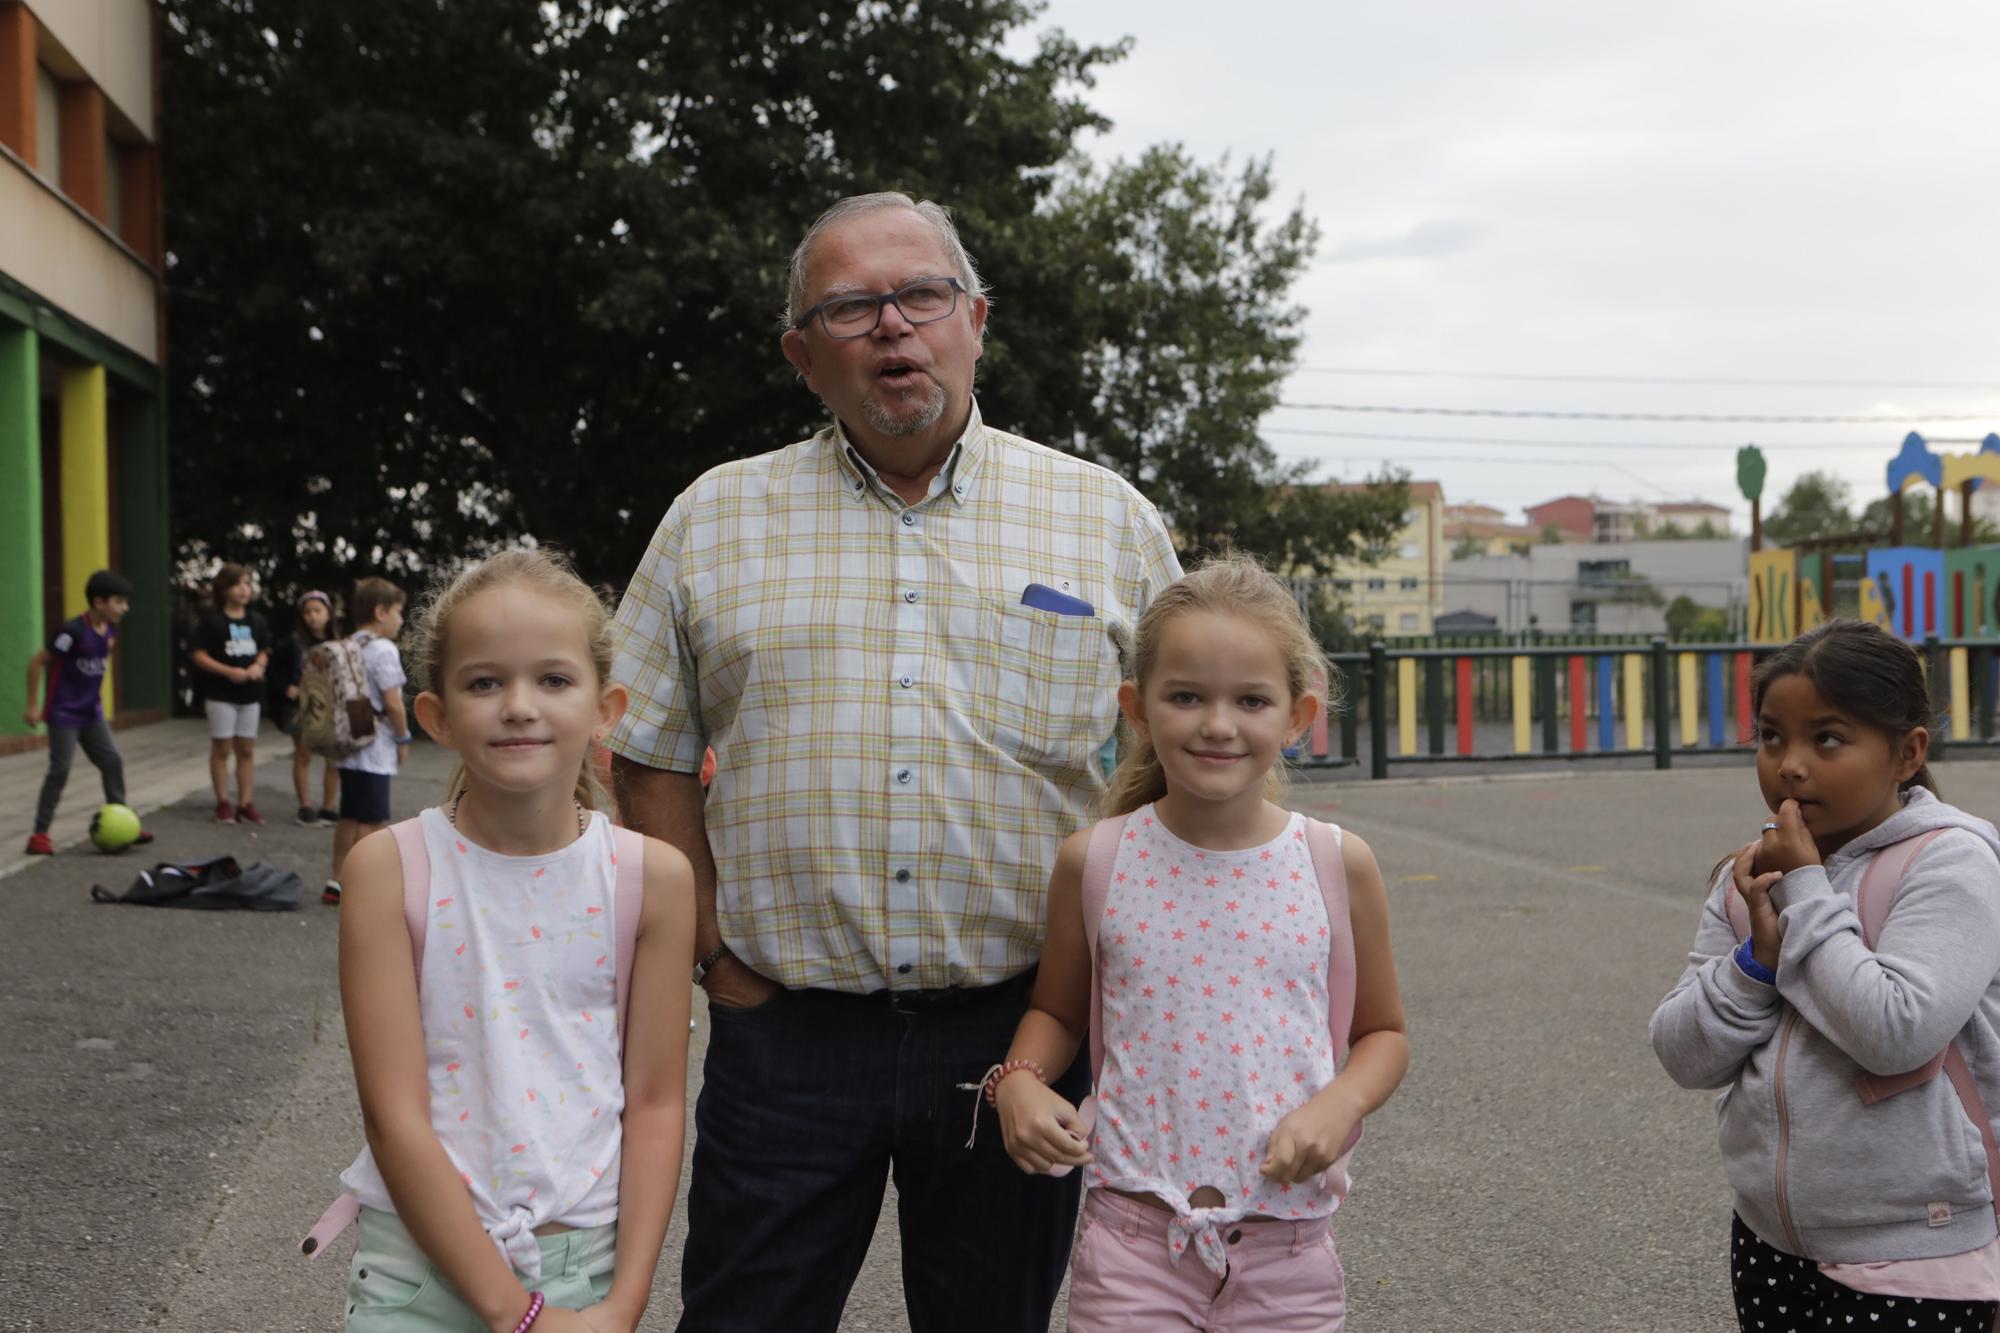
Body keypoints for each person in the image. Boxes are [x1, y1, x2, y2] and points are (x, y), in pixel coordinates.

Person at [607, 190, 1183, 1332]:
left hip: (1021, 1032)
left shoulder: (1102, 517)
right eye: (848, 307)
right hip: (786, 1029)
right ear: (800, 355)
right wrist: (717, 958)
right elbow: (648, 754)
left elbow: (1181, 748)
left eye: (919, 295)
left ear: (974, 316)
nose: (891, 326)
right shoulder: (711, 519)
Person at [991, 554, 1409, 1331]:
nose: (1218, 723)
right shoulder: (1097, 860)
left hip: (1287, 1255)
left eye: (1251, 699)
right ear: (1138, 709)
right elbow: (1057, 1011)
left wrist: (1337, 1103)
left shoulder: (1335, 863)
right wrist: (1017, 1080)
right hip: (1132, 1245)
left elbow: (1383, 1033)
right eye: (1186, 696)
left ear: (1297, 715)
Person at [332, 548, 694, 1331]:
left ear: (607, 708)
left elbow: (658, 1102)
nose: (519, 705)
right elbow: (393, 1113)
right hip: (415, 1272)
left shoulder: (652, 877)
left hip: (587, 1271)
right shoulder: (387, 870)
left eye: (555, 679)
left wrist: (623, 1304)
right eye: (485, 681)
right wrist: (515, 1312)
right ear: (436, 715)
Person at [1651, 619, 2000, 1330]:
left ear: (1907, 752)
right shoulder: (1751, 876)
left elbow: (1895, 1031)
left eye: (1828, 738)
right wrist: (1755, 965)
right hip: (1771, 1241)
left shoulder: (1951, 863)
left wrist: (1808, 890)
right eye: (1772, 735)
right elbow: (1682, 1053)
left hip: (1918, 1256)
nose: (1791, 764)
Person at [22, 570, 154, 855]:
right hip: (64, 714)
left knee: (112, 762)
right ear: (98, 603)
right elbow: (37, 663)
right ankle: (39, 835)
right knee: (60, 770)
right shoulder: (72, 632)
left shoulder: (110, 630)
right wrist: (33, 704)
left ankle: (123, 821)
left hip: (91, 713)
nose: (124, 608)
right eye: (119, 602)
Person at [325, 577, 409, 907]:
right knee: (372, 819)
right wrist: (402, 736)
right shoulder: (383, 649)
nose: (401, 619)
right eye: (398, 612)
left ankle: (337, 880)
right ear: (380, 612)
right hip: (374, 744)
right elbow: (393, 702)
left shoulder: (348, 644)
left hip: (347, 742)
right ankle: (363, 888)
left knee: (349, 814)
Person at [190, 563, 272, 824]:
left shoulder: (256, 620)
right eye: (238, 584)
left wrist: (258, 665)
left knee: (246, 749)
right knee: (222, 748)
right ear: (224, 589)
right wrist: (229, 671)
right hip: (220, 694)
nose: (244, 589)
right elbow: (198, 655)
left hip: (250, 694)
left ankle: (246, 802)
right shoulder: (212, 621)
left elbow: (265, 649)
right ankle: (223, 802)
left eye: (247, 584)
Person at [272, 589, 341, 826]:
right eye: (307, 612)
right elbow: (274, 671)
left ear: (328, 613)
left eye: (317, 610)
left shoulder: (338, 641)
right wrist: (286, 688)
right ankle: (305, 806)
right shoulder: (293, 642)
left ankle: (329, 807)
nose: (312, 616)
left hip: (331, 706)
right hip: (302, 707)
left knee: (333, 759)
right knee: (303, 754)